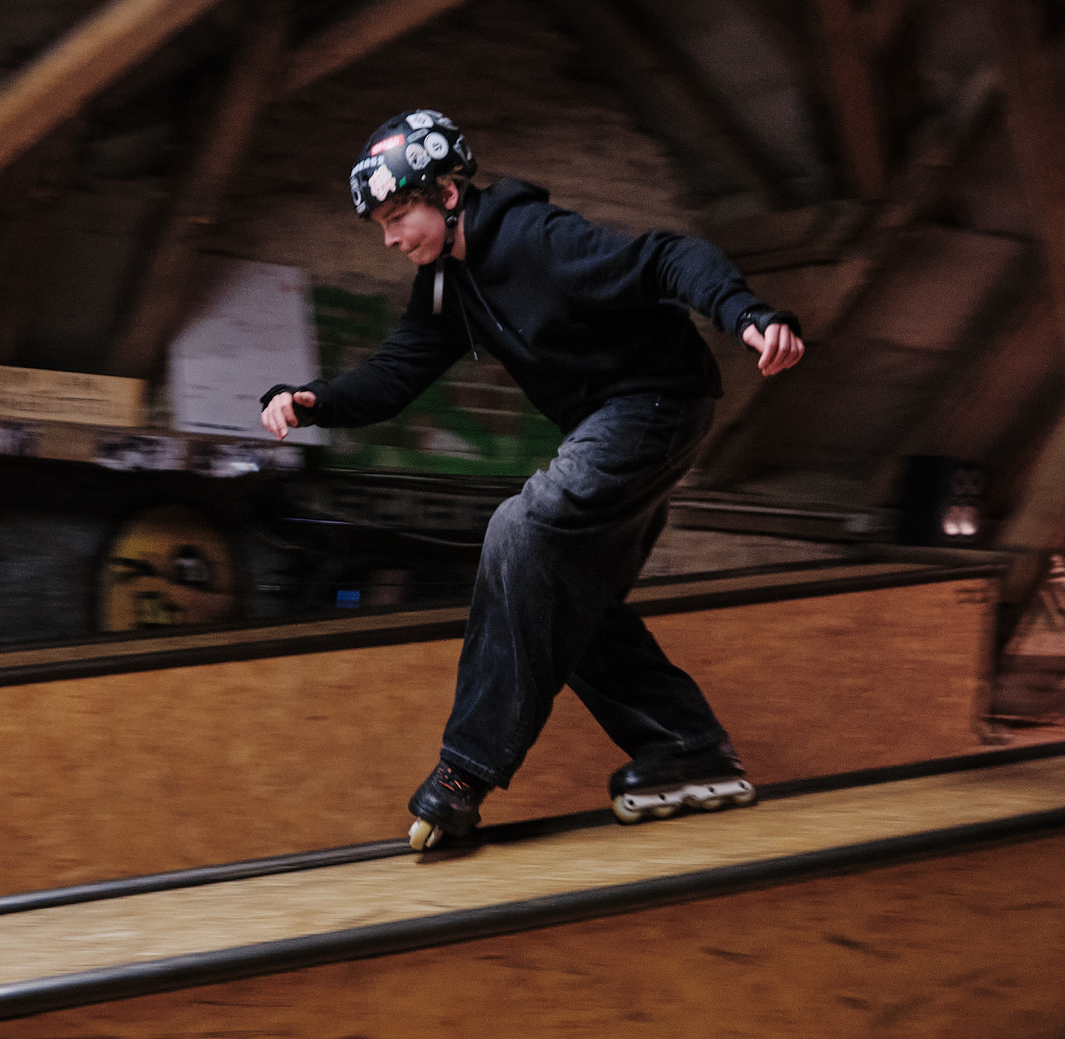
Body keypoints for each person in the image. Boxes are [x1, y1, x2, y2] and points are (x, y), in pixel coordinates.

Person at [260, 110, 804, 850]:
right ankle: (687, 745)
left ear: (447, 195)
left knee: (521, 529)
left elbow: (668, 257)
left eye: (397, 218)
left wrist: (744, 314)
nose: (390, 240)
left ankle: (464, 772)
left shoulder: (536, 238)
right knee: (567, 594)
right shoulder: (446, 286)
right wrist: (311, 400)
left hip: (656, 401)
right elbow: (394, 375)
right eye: (381, 226)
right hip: (615, 422)